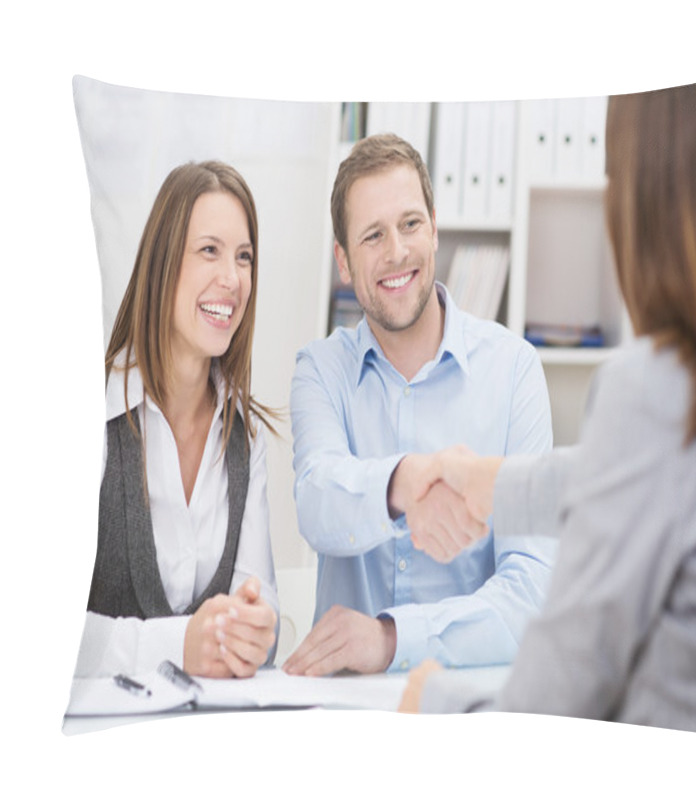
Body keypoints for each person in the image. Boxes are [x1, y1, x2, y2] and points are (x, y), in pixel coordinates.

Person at [399, 75, 696, 735]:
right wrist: (490, 483)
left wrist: (433, 699)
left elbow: (555, 702)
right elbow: (652, 482)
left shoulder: (653, 389)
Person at [283, 134, 554, 677]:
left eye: (410, 224)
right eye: (372, 236)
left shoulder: (514, 369)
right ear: (342, 260)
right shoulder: (320, 370)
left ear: (434, 227)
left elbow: (532, 590)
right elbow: (316, 500)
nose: (397, 252)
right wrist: (406, 481)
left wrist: (391, 639)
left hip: (468, 704)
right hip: (346, 709)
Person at [73, 161, 280, 680]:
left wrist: (256, 632)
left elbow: (262, 621)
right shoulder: (90, 416)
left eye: (244, 257)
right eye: (209, 250)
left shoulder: (246, 440)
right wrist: (177, 644)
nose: (231, 279)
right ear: (164, 263)